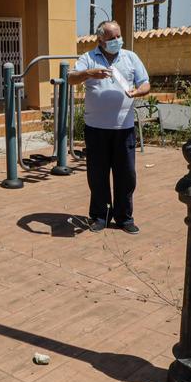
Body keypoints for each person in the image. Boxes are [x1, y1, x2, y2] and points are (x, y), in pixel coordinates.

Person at [68, 20, 151, 234]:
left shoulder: (130, 57)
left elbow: (145, 83)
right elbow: (70, 78)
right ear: (100, 40)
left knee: (126, 175)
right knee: (98, 174)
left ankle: (124, 217)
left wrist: (137, 92)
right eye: (111, 38)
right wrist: (89, 73)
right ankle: (100, 216)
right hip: (96, 129)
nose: (116, 41)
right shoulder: (88, 58)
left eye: (118, 36)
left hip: (123, 128)